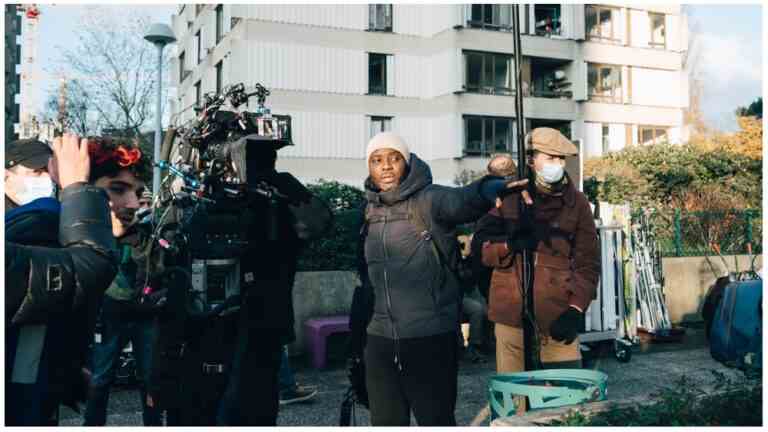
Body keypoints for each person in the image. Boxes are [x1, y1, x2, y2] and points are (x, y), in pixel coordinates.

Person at [360, 132, 521, 426]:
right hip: (381, 339)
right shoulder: (370, 209)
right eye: (377, 160)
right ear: (369, 167)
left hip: (429, 338)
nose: (385, 167)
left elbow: (463, 200)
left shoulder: (429, 199)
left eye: (394, 159)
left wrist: (492, 187)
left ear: (406, 164)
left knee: (435, 420)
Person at [5, 134, 118, 425]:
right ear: (5, 176)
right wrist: (76, 187)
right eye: (36, 172)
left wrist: (67, 362)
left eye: (50, 171)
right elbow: (89, 266)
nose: (47, 179)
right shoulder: (38, 222)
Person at [475, 127, 600, 375]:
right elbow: (481, 251)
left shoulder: (577, 203)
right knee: (515, 401)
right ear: (531, 160)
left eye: (560, 159)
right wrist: (510, 244)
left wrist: (575, 309)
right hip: (511, 316)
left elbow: (588, 263)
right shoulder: (509, 198)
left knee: (565, 399)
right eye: (550, 158)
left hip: (558, 314)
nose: (557, 164)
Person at [81, 136, 161, 426]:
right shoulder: (77, 235)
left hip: (144, 312)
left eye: (137, 192)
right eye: (117, 189)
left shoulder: (146, 226)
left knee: (151, 379)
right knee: (100, 379)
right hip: (110, 314)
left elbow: (154, 269)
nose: (129, 202)